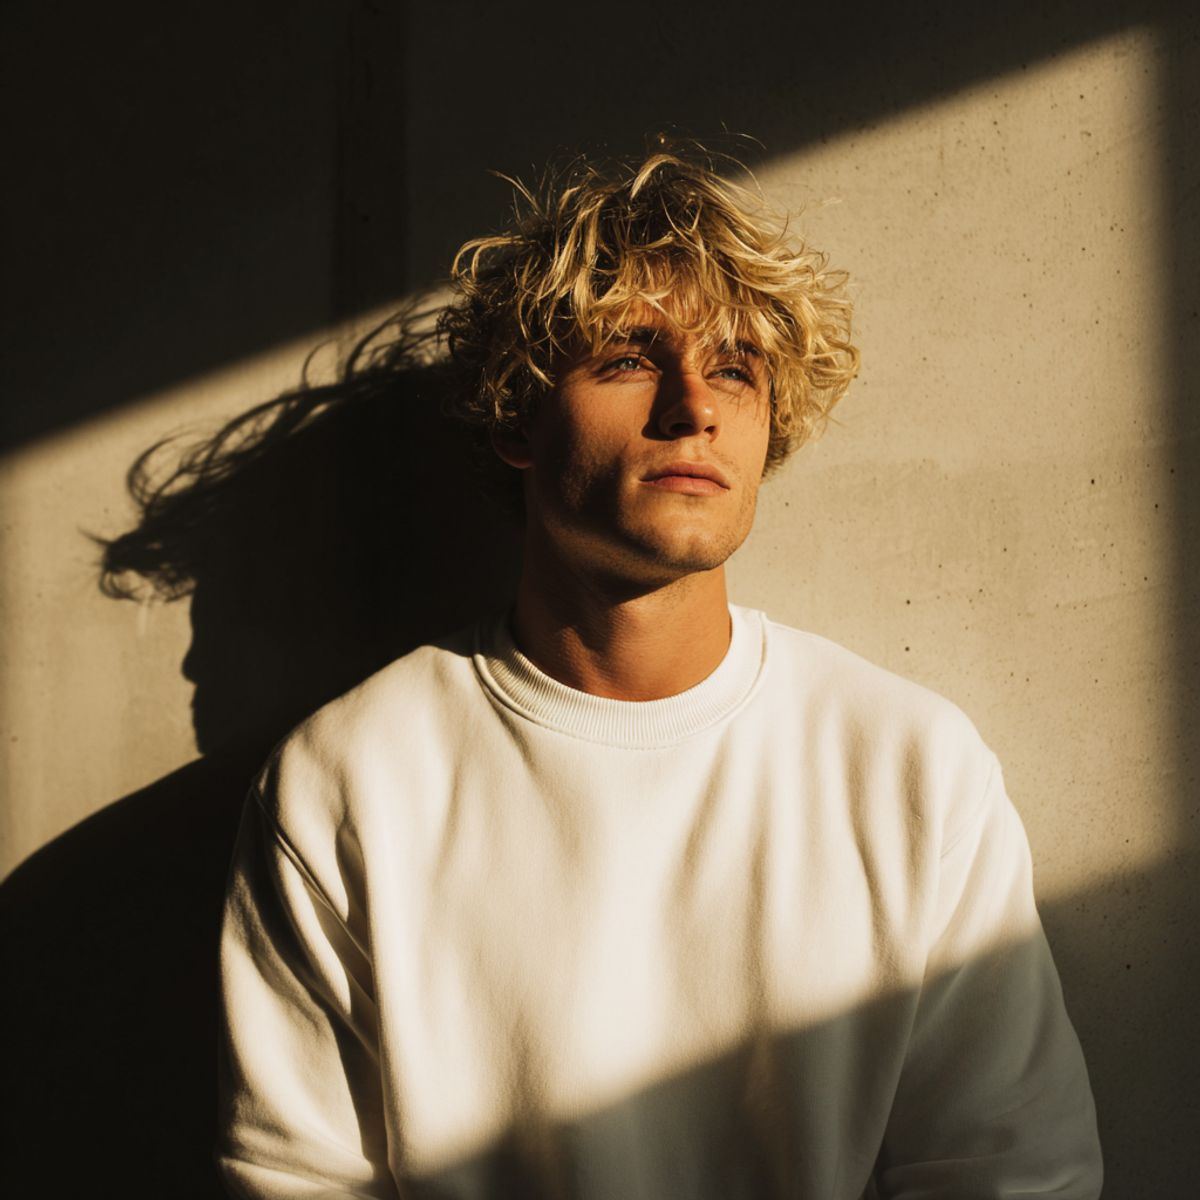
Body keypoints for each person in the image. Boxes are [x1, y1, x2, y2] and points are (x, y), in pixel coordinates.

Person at [216, 147, 1103, 1199]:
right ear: (518, 415)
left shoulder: (910, 768)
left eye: (734, 368)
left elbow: (1015, 1172)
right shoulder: (350, 780)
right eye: (628, 358)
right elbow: (297, 1182)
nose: (694, 406)